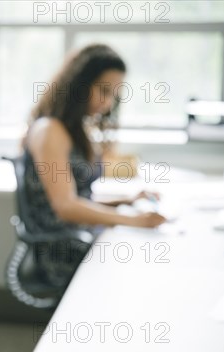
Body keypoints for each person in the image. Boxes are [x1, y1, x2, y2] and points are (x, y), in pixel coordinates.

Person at [21, 44, 166, 285]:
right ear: (79, 84)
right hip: (59, 251)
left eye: (114, 95)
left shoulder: (73, 129)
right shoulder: (50, 131)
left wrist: (125, 201)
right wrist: (135, 220)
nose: (108, 104)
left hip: (79, 236)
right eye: (103, 90)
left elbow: (77, 197)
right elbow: (65, 206)